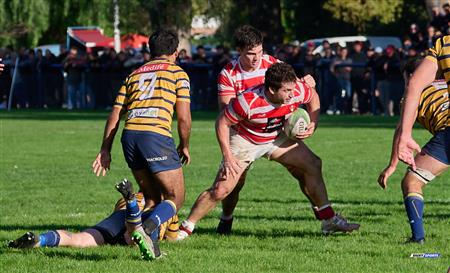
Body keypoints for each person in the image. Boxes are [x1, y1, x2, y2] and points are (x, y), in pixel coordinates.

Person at [177, 63, 360, 239]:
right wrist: (227, 156)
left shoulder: (296, 90)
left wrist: (313, 122)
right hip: (245, 140)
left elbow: (312, 97)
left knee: (312, 164)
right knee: (222, 189)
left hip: (276, 137)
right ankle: (185, 228)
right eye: (286, 91)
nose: (291, 94)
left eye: (292, 89)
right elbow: (222, 123)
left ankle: (329, 220)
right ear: (272, 90)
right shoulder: (247, 102)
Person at [91, 29, 191, 259]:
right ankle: (146, 229)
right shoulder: (177, 73)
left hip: (130, 136)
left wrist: (105, 149)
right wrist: (185, 144)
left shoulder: (134, 74)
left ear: (149, 51)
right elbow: (184, 117)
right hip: (154, 135)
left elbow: (115, 115)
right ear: (176, 52)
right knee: (176, 197)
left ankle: (146, 243)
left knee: (151, 197)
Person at [210, 25, 316, 235]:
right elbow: (226, 112)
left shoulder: (272, 63)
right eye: (250, 53)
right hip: (244, 135)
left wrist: (305, 82)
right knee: (233, 183)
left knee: (305, 168)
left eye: (259, 51)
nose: (257, 58)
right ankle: (226, 219)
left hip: (275, 132)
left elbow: (290, 86)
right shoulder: (228, 74)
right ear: (239, 50)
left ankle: (325, 215)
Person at [378, 58, 449, 244]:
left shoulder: (412, 94)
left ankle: (418, 238)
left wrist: (392, 165)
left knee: (412, 182)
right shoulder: (445, 82)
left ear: (411, 77)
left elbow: (402, 129)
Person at [8, 183, 179, 252]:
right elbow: (172, 238)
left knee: (79, 239)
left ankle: (41, 239)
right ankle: (137, 219)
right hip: (142, 222)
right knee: (136, 234)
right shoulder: (167, 209)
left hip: (119, 217)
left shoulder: (122, 201)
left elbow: (117, 212)